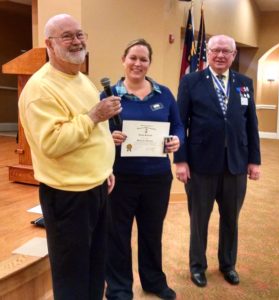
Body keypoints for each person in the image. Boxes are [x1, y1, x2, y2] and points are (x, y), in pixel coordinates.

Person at [18, 14, 122, 300]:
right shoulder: (40, 89)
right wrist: (94, 115)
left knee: (94, 266)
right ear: (49, 44)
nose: (76, 41)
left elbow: (92, 132)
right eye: (67, 36)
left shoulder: (80, 78)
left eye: (79, 34)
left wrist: (104, 167)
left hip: (96, 187)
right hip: (68, 196)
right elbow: (52, 142)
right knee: (72, 275)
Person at [174, 34, 261, 288]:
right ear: (207, 53)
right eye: (216, 50)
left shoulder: (244, 83)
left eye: (226, 51)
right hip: (201, 165)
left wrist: (254, 160)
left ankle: (227, 264)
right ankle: (197, 266)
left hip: (235, 164)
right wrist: (181, 161)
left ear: (233, 55)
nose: (220, 55)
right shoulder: (191, 82)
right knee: (199, 219)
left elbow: (251, 124)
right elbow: (180, 124)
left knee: (231, 218)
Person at [102, 39, 184, 300]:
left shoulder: (164, 94)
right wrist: (108, 136)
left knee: (152, 231)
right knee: (117, 234)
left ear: (150, 63)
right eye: (133, 58)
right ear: (123, 60)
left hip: (157, 178)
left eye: (143, 59)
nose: (138, 63)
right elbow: (95, 130)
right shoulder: (108, 95)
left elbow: (178, 125)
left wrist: (177, 140)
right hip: (120, 177)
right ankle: (119, 288)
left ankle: (154, 281)